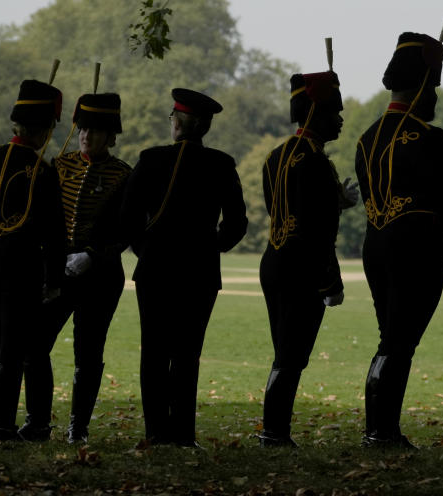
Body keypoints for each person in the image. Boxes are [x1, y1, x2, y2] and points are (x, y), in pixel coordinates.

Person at [355, 32, 443, 448]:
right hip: (416, 250)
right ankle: (381, 431)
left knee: (390, 337)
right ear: (422, 85)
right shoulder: (429, 137)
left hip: (377, 246)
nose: (436, 96)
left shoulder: (366, 137)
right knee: (399, 342)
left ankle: (379, 428)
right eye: (434, 86)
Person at [120, 88, 248, 447]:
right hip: (200, 272)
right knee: (188, 354)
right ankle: (183, 435)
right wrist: (210, 248)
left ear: (176, 123)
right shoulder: (222, 164)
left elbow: (128, 219)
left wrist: (147, 250)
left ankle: (156, 432)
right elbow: (237, 224)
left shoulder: (150, 159)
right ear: (204, 127)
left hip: (155, 270)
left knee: (155, 353)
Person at [19, 93, 133, 443]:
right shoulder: (59, 166)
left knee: (88, 352)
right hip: (58, 271)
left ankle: (78, 428)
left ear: (111, 137)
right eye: (83, 128)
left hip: (100, 276)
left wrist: (94, 256)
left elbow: (127, 230)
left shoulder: (124, 175)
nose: (87, 135)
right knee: (35, 346)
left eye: (96, 130)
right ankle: (38, 423)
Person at [257, 71, 357, 447]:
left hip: (274, 259)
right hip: (301, 267)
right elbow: (317, 231)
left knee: (284, 349)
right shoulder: (315, 161)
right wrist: (330, 282)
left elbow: (285, 209)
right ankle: (274, 432)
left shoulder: (276, 155)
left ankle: (274, 430)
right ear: (315, 111)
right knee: (291, 354)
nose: (340, 118)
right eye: (334, 111)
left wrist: (336, 200)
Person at [0, 79, 66, 441]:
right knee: (13, 344)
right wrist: (53, 279)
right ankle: (2, 427)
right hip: (20, 267)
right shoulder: (43, 171)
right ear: (43, 129)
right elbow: (56, 234)